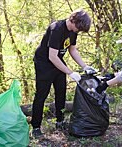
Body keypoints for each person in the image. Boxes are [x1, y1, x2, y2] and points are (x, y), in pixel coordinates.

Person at [31, 8, 96, 138]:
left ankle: (60, 121)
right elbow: (52, 56)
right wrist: (71, 73)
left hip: (58, 62)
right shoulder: (57, 28)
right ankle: (36, 127)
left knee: (61, 92)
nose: (79, 31)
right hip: (44, 63)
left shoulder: (74, 31)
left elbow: (72, 49)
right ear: (73, 20)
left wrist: (84, 66)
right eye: (79, 28)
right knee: (41, 95)